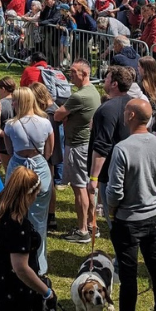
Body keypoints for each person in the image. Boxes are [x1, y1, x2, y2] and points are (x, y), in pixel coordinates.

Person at [107, 98, 156, 311]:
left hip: (127, 220)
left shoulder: (122, 148)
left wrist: (112, 210)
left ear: (131, 116)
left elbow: (115, 190)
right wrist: (152, 196)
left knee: (128, 274)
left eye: (126, 110)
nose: (124, 113)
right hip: (152, 217)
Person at [0, 167, 58, 311]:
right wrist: (47, 292)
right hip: (13, 290)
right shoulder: (19, 225)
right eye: (36, 194)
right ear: (28, 195)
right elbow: (21, 268)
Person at [3, 87, 54, 275]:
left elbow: (9, 151)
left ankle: (16, 260)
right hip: (40, 166)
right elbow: (49, 151)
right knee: (39, 218)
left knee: (16, 215)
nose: (12, 103)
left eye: (14, 101)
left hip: (17, 167)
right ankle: (39, 264)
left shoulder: (10, 125)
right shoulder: (45, 123)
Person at [53, 58, 101, 244]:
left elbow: (58, 115)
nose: (69, 74)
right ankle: (91, 224)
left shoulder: (78, 96)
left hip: (76, 146)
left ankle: (82, 231)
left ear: (85, 74)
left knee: (79, 188)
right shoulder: (93, 91)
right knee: (88, 187)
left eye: (73, 72)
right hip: (86, 145)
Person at [88, 66, 134, 227]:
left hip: (111, 174)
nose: (104, 80)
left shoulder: (106, 109)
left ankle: (122, 251)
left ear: (114, 84)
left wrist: (94, 178)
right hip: (132, 170)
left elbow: (102, 145)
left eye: (107, 78)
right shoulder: (134, 104)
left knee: (116, 223)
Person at [0, 77, 16, 170]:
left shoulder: (0, 104)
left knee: (9, 169)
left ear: (3, 89)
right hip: (18, 142)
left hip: (4, 144)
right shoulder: (19, 101)